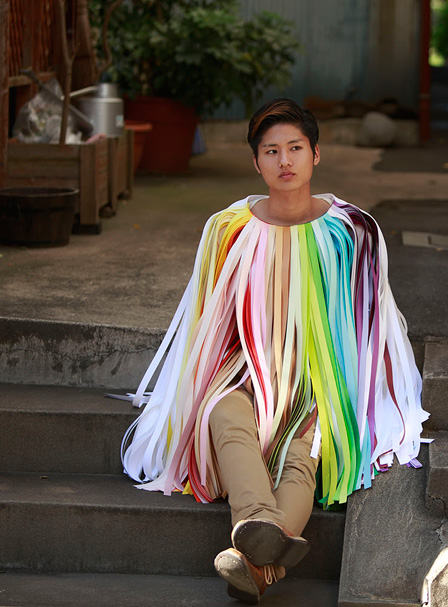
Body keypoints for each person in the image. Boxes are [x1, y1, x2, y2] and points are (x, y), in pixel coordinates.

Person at [121, 99, 428, 604]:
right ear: (256, 162)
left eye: (295, 148)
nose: (285, 161)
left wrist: (346, 398)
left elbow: (372, 323)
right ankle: (261, 541)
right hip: (243, 369)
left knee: (302, 455)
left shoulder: (352, 232)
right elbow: (208, 320)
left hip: (319, 376)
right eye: (271, 151)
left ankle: (254, 559)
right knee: (224, 414)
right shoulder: (229, 229)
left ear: (315, 155)